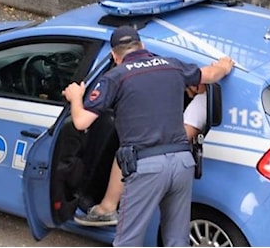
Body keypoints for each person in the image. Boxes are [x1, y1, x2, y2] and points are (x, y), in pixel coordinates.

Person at [62, 25, 234, 246]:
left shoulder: (115, 77)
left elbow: (81, 121)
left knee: (128, 240)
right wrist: (224, 65)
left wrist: (75, 97)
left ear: (115, 56)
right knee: (176, 239)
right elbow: (210, 75)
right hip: (182, 163)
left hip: (146, 168)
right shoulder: (172, 65)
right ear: (143, 46)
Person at [73, 84, 207, 227]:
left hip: (166, 161)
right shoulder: (207, 99)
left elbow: (179, 137)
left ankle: (108, 207)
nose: (185, 89)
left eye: (187, 85)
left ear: (198, 84)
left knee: (126, 151)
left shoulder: (200, 103)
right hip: (174, 163)